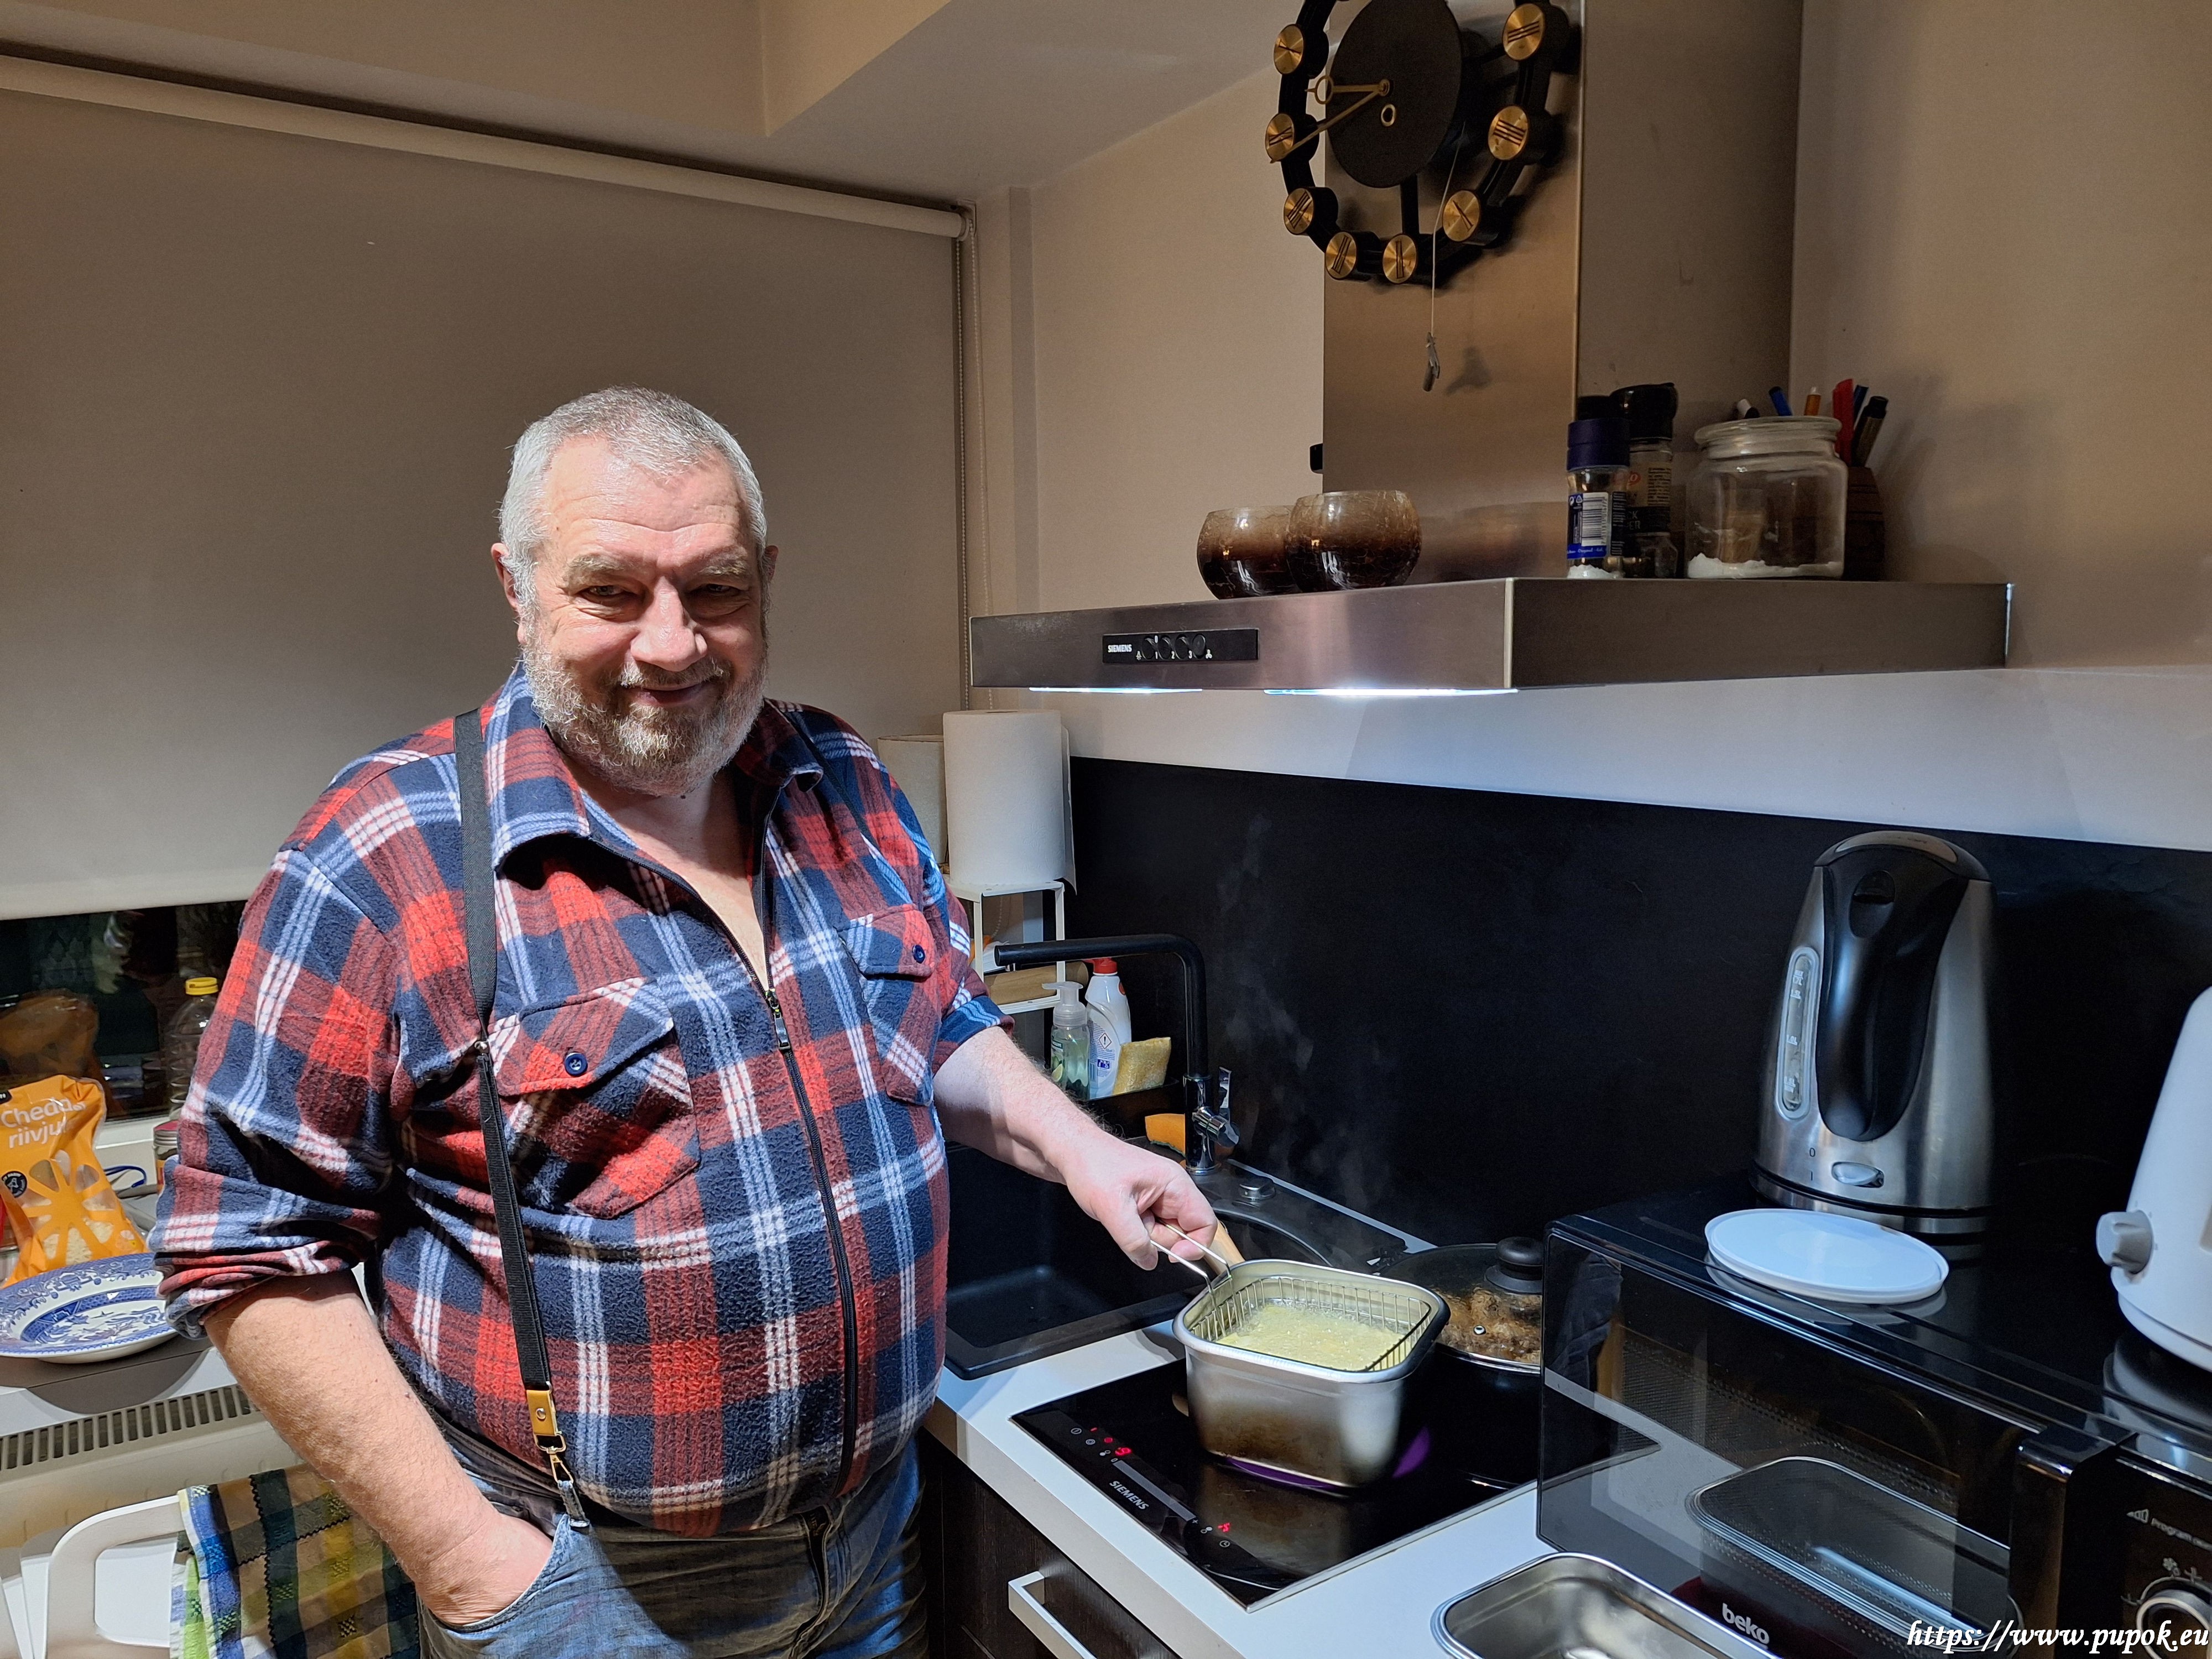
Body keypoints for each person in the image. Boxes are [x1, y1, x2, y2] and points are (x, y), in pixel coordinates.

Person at [151, 387, 1218, 1658]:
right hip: (595, 1585)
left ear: (763, 578)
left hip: (875, 1537)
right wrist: (479, 1571)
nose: (671, 645)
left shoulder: (840, 776)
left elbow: (936, 1017)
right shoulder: (387, 854)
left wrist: (1082, 1149)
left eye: (714, 589)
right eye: (610, 591)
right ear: (516, 585)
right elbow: (243, 1245)